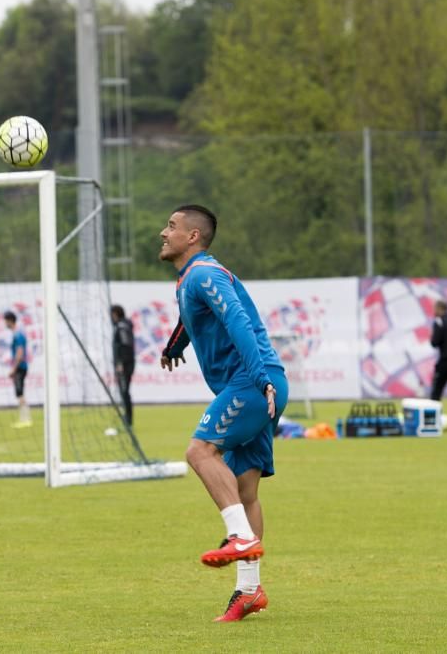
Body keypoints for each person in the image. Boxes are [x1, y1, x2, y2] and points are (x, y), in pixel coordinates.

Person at [158, 204, 288, 623]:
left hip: (252, 383)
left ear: (192, 237)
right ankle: (249, 591)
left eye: (172, 226)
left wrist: (259, 379)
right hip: (262, 382)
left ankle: (239, 538)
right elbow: (190, 319)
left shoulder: (203, 274)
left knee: (199, 452)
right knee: (245, 490)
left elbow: (237, 321)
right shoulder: (191, 278)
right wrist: (174, 346)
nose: (164, 232)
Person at [110, 304, 136, 428]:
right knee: (123, 392)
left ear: (115, 314)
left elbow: (126, 346)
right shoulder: (122, 326)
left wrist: (120, 363)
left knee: (124, 391)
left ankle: (128, 420)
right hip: (126, 363)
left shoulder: (121, 327)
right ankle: (127, 418)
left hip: (125, 365)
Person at [5, 311, 32, 428]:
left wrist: (13, 369)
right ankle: (24, 419)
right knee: (20, 393)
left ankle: (26, 420)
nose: (5, 323)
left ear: (10, 321)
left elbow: (20, 353)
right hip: (20, 367)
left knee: (20, 393)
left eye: (5, 321)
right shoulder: (18, 333)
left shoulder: (18, 335)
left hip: (20, 368)